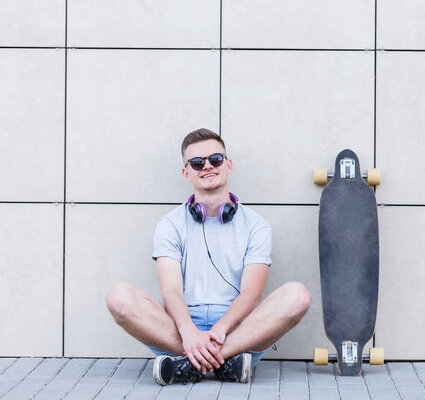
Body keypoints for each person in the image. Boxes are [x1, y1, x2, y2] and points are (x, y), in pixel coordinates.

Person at [105, 128, 311, 385]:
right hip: (181, 331)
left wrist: (219, 333)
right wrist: (190, 333)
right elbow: (171, 293)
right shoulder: (170, 225)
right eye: (197, 163)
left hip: (237, 332)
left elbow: (251, 294)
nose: (208, 166)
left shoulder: (256, 226)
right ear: (186, 172)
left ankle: (193, 364)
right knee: (119, 297)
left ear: (228, 164)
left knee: (297, 296)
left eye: (215, 159)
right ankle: (224, 364)